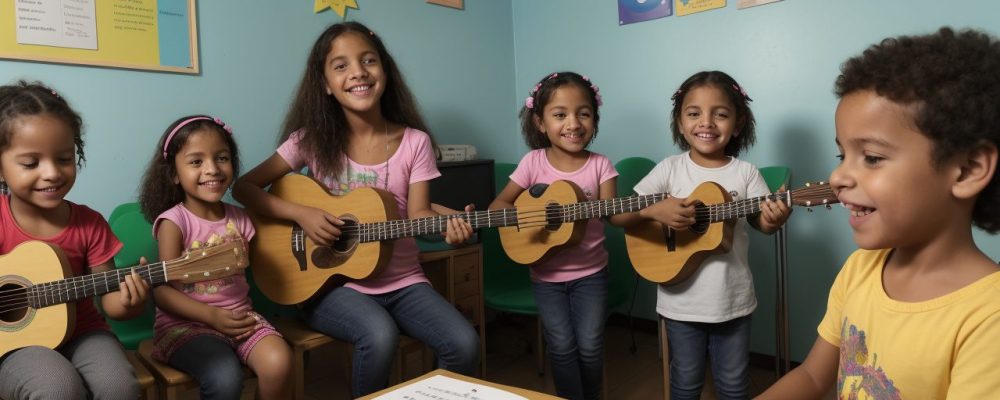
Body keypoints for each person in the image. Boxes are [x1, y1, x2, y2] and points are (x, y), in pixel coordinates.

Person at [232, 21, 479, 397]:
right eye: (341, 65)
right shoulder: (309, 141)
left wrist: (450, 226)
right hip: (330, 284)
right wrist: (301, 214)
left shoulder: (415, 142)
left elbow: (418, 214)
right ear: (325, 84)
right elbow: (244, 187)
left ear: (385, 71)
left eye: (368, 60)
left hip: (403, 282)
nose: (358, 72)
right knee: (378, 335)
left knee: (464, 344)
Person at [757, 27, 1000, 399]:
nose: (837, 177)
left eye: (871, 157)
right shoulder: (861, 268)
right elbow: (811, 377)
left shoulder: (989, 317)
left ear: (967, 169)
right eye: (842, 155)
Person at [624, 71, 790, 399]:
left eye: (721, 114)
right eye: (694, 113)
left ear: (738, 124)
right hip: (680, 301)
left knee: (733, 383)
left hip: (733, 299)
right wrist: (653, 210)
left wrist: (775, 218)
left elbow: (761, 223)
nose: (707, 122)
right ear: (680, 121)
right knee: (685, 380)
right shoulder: (670, 169)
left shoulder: (745, 173)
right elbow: (621, 214)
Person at [0, 80, 148, 400]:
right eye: (30, 163)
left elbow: (109, 300)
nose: (52, 172)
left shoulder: (89, 224)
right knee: (58, 388)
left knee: (120, 387)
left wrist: (127, 303)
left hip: (83, 333)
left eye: (64, 159)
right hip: (15, 345)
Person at [489, 71, 624, 400]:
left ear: (594, 119)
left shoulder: (600, 166)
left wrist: (648, 210)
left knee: (590, 346)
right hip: (545, 276)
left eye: (584, 113)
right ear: (540, 122)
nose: (573, 124)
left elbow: (614, 214)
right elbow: (499, 205)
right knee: (561, 347)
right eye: (560, 115)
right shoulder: (532, 162)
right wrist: (530, 217)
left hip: (591, 274)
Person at [137, 115, 293, 399]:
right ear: (173, 173)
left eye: (221, 158)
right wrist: (211, 315)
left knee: (279, 363)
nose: (212, 169)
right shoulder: (174, 222)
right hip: (185, 326)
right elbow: (162, 292)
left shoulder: (242, 219)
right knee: (225, 376)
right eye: (196, 162)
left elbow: (270, 261)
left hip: (240, 318)